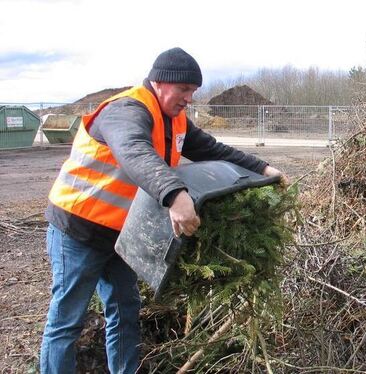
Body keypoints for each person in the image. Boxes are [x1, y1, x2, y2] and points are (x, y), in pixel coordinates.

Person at [40, 47, 288, 373]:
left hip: (119, 236)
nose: (189, 98)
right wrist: (175, 195)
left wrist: (263, 168)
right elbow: (134, 151)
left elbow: (212, 149)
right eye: (184, 90)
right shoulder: (125, 110)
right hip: (77, 229)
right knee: (67, 320)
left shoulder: (176, 120)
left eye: (193, 92)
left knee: (125, 311)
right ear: (160, 82)